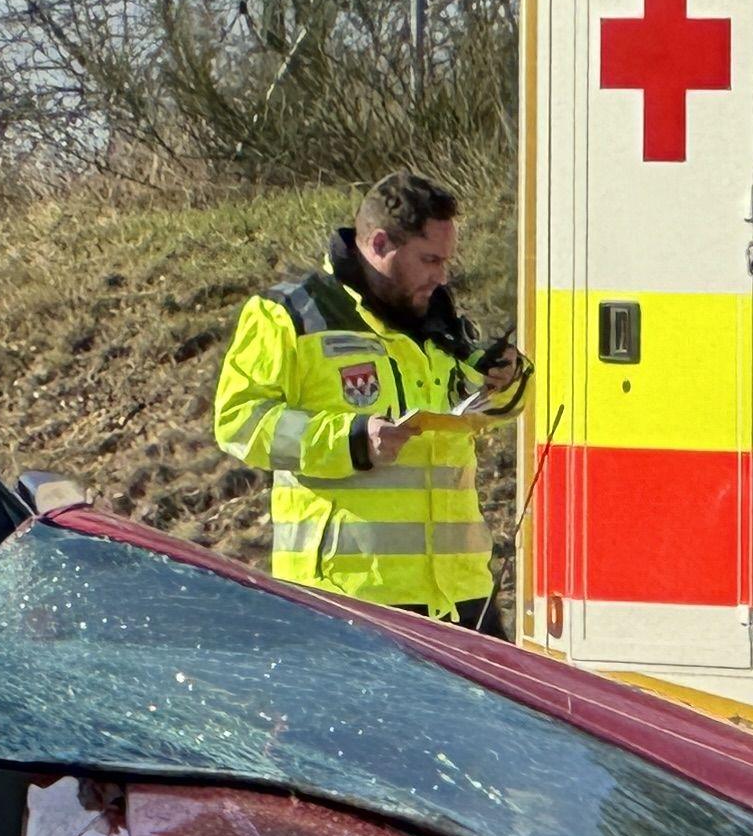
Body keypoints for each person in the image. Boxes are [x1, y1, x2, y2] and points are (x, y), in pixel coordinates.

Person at [211, 169, 523, 629]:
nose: (441, 276)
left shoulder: (438, 317)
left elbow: (487, 406)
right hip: (346, 598)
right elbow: (239, 422)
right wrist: (353, 439)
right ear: (379, 244)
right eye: (429, 260)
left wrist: (509, 377)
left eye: (445, 262)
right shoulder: (290, 314)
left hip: (461, 595)